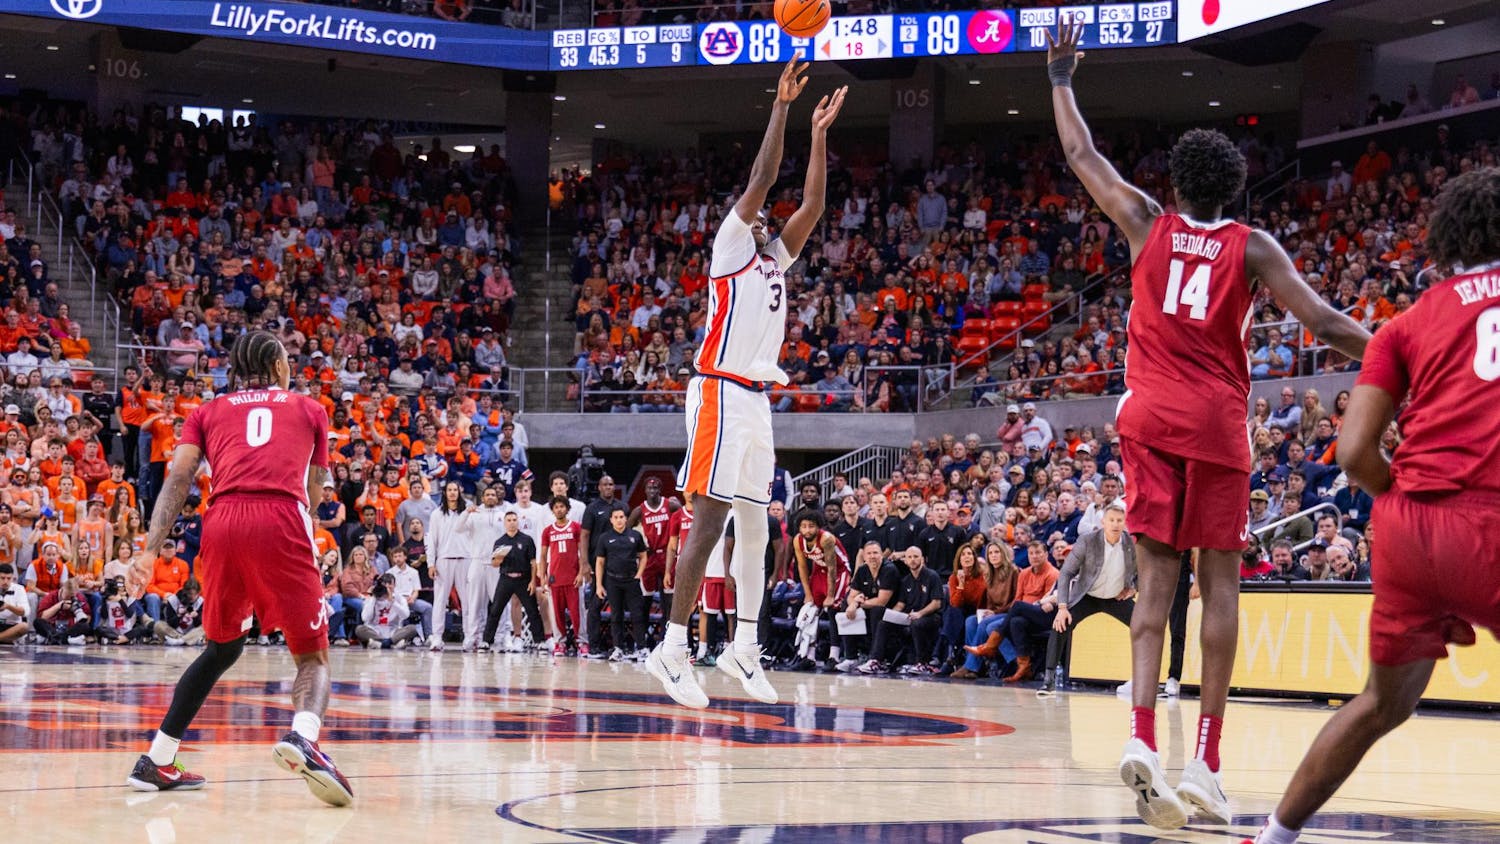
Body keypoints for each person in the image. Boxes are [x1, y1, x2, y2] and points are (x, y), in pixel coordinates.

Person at [1045, 21, 1371, 830]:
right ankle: (1208, 763)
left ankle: (1142, 737)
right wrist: (1402, 354)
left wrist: (1059, 79)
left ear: (1177, 183)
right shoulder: (1252, 246)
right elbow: (1326, 323)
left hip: (1149, 420)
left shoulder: (1145, 222)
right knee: (1219, 588)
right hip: (1217, 423)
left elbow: (1084, 157)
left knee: (1156, 585)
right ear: (1231, 189)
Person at [1247, 168, 1500, 844]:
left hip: (1409, 527)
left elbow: (1355, 452)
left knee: (1380, 703)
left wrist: (1408, 503)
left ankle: (1272, 836)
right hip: (1491, 519)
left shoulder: (1404, 326)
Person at [648, 59, 846, 710]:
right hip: (719, 392)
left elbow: (813, 203)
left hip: (758, 401)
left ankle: (745, 646)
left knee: (760, 530)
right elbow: (763, 178)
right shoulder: (731, 246)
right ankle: (672, 649)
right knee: (709, 523)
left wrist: (818, 134)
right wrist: (783, 107)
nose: (766, 217)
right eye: (760, 214)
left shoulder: (774, 259)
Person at [124, 330, 352, 806]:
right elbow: (311, 495)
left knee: (222, 648)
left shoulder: (206, 412)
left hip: (222, 522)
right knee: (312, 655)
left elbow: (179, 479)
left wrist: (148, 550)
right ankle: (304, 736)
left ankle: (158, 759)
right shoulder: (309, 408)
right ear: (277, 366)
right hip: (279, 518)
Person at [1036, 502, 1137, 697]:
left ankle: (1143, 679)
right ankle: (1048, 681)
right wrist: (1063, 607)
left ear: (1125, 523)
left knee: (1143, 627)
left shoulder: (1130, 544)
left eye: (1119, 521)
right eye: (1111, 520)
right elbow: (1065, 573)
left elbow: (1141, 572)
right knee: (1060, 624)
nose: (1115, 524)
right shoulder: (1087, 541)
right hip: (1087, 596)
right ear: (1103, 522)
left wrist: (1133, 588)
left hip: (1115, 597)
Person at [481, 511, 545, 650]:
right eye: (509, 520)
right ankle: (486, 640)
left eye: (514, 519)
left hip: (524, 579)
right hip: (506, 579)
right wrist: (499, 558)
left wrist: (533, 581)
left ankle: (540, 641)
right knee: (495, 609)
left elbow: (533, 562)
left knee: (532, 610)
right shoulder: (500, 542)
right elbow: (494, 564)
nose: (512, 522)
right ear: (504, 523)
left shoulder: (527, 540)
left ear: (518, 522)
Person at [424, 481, 472, 651]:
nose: (452, 493)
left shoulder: (468, 511)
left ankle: (469, 636)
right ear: (445, 493)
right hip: (443, 559)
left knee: (467, 601)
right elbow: (431, 540)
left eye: (455, 490)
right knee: (440, 600)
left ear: (460, 492)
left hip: (465, 558)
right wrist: (431, 563)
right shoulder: (437, 514)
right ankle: (437, 637)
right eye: (449, 490)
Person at [595, 505, 648, 661]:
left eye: (621, 517)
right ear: (611, 520)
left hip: (631, 580)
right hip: (612, 580)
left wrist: (639, 574)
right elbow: (599, 562)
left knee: (637, 614)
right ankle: (618, 648)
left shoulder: (635, 536)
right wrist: (599, 584)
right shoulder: (604, 538)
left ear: (626, 518)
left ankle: (642, 648)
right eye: (616, 517)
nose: (619, 520)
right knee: (616, 615)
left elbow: (643, 556)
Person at [540, 495, 585, 656]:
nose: (559, 509)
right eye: (556, 507)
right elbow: (543, 556)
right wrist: (543, 576)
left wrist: (581, 573)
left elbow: (582, 552)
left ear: (567, 508)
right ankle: (560, 643)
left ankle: (581, 642)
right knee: (556, 613)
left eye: (562, 506)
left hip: (573, 577)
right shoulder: (548, 531)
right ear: (552, 510)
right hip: (555, 577)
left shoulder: (576, 527)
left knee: (576, 612)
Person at [0, 563, 30, 644]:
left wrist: (8, 606)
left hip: (12, 626)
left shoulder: (19, 589)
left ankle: (2, 637)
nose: (5, 581)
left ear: (13, 578)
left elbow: (25, 612)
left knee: (24, 626)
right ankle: (6, 638)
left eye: (9, 578)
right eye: (2, 578)